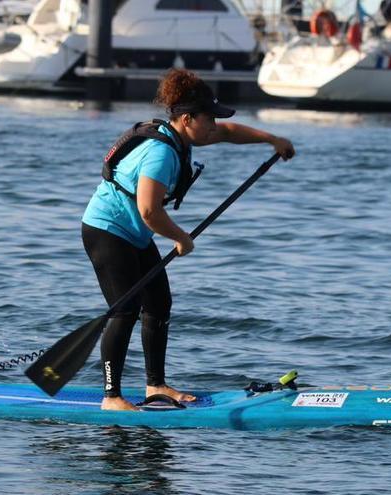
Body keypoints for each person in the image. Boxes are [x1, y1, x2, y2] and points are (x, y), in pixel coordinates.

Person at [81, 68, 295, 411]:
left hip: (133, 233)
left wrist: (271, 140)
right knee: (125, 311)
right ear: (187, 118)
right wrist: (180, 238)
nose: (213, 126)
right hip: (107, 230)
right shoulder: (161, 152)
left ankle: (155, 386)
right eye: (208, 119)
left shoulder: (183, 136)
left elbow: (228, 132)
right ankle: (112, 397)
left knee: (159, 304)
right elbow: (149, 210)